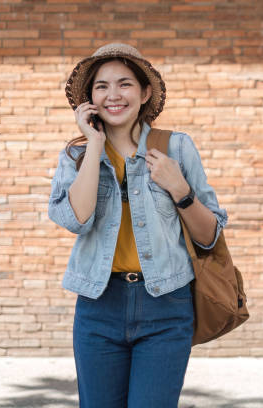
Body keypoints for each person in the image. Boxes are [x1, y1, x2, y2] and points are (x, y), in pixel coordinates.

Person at [48, 43, 228, 408]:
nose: (113, 95)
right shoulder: (76, 155)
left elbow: (209, 237)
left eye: (125, 83)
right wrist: (95, 144)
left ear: (145, 92)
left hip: (166, 303)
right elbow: (76, 221)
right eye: (101, 86)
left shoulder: (176, 148)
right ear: (89, 98)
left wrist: (180, 189)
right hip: (99, 306)